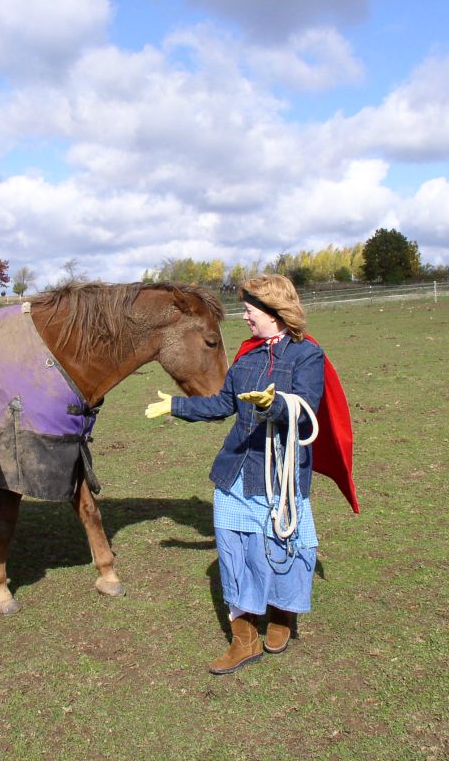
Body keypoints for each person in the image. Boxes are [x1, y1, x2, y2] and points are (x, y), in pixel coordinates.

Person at [145, 274, 324, 674]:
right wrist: (175, 406)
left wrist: (275, 406)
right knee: (233, 552)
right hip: (236, 468)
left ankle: (281, 614)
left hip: (279, 474)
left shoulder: (308, 355)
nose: (245, 316)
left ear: (274, 312)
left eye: (250, 309)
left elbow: (308, 407)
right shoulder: (247, 356)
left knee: (281, 548)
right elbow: (222, 403)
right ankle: (244, 639)